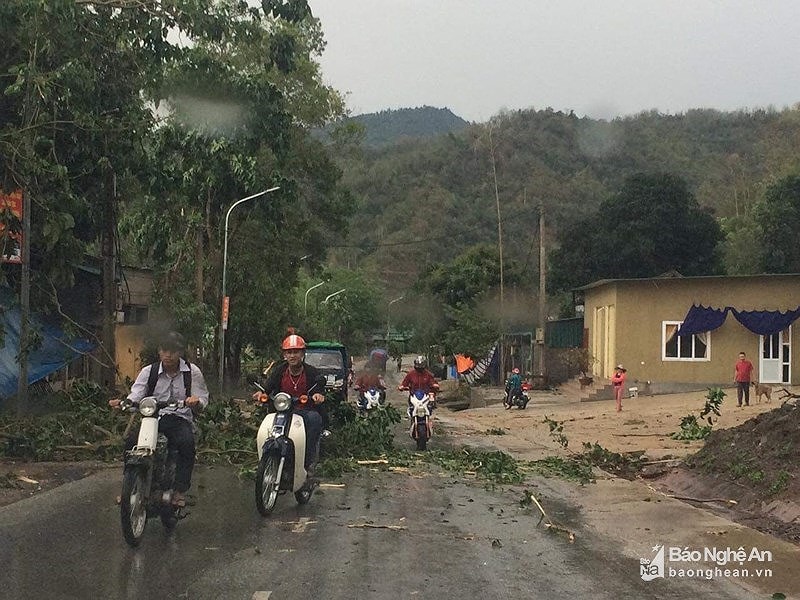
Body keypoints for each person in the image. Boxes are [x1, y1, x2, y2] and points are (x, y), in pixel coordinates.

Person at [109, 331, 209, 507]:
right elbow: (136, 395)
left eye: (173, 351)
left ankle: (179, 491)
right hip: (153, 418)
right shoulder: (149, 371)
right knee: (131, 442)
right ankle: (131, 486)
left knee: (186, 443)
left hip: (179, 418)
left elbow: (202, 399)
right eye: (164, 350)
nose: (168, 355)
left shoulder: (192, 372)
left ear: (181, 352)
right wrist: (124, 403)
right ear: (159, 351)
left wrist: (195, 402)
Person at [253, 332, 325, 474]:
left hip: (303, 411)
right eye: (289, 352)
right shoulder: (279, 371)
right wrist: (262, 394)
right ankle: (265, 458)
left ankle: (307, 461)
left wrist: (318, 395)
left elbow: (319, 389)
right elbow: (268, 388)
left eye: (296, 352)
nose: (292, 356)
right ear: (284, 355)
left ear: (303, 353)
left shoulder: (311, 372)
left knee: (315, 419)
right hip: (281, 411)